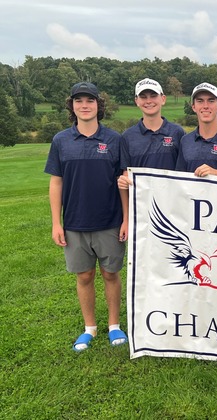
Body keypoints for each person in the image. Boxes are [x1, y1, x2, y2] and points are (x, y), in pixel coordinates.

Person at [44, 82, 128, 351]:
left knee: (111, 274)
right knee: (84, 276)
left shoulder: (115, 139)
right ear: (72, 106)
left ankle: (114, 326)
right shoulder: (61, 141)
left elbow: (122, 181)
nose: (84, 105)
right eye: (78, 101)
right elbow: (56, 182)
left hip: (110, 221)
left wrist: (126, 219)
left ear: (98, 105)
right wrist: (57, 222)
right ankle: (89, 327)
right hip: (75, 224)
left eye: (89, 100)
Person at [117, 78, 185, 192]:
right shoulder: (127, 136)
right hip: (141, 206)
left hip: (172, 204)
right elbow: (126, 174)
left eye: (153, 96)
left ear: (163, 99)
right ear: (136, 101)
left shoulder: (178, 132)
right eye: (143, 97)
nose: (148, 101)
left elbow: (184, 172)